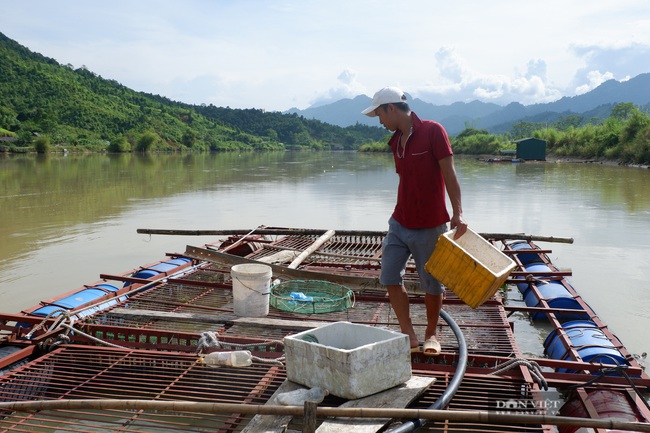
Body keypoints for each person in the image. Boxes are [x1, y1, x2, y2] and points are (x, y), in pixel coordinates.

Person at [362, 86, 468, 356]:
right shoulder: (396, 141)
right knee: (389, 276)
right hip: (399, 222)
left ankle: (431, 334)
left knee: (431, 283)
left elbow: (450, 176)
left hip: (430, 224)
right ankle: (408, 333)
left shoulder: (433, 131)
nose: (381, 123)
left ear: (391, 108)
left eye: (380, 116)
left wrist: (458, 213)